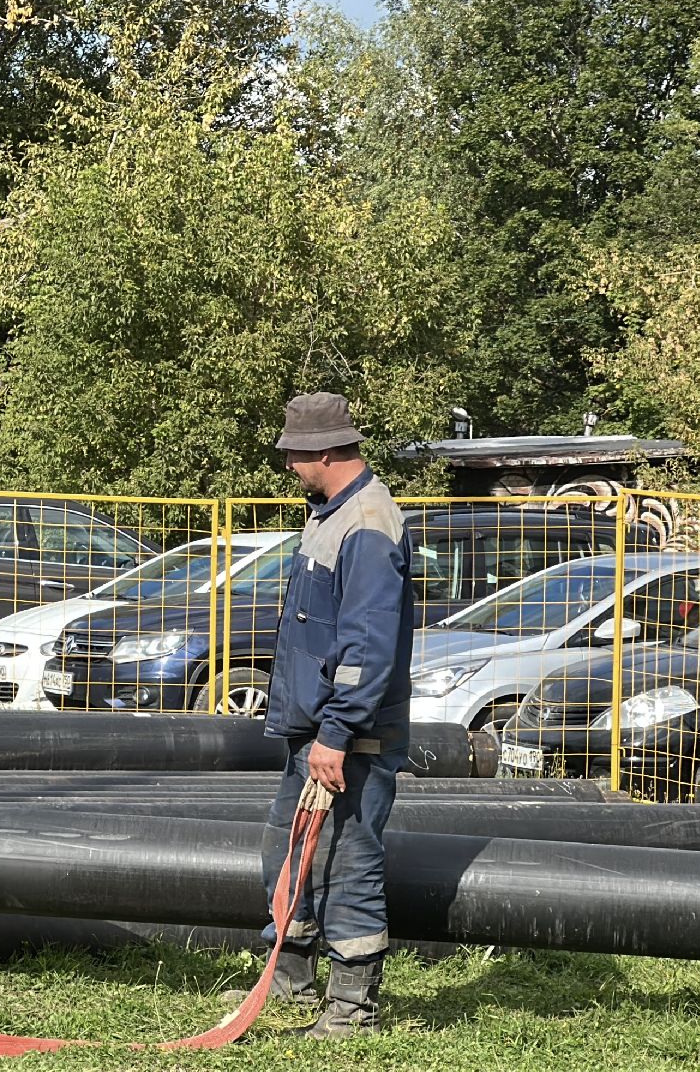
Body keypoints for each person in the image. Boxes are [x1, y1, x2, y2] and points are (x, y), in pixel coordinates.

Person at [259, 392, 413, 1039]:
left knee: (348, 863)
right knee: (288, 851)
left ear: (322, 451)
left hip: (349, 737)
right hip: (316, 729)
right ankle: (292, 988)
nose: (291, 466)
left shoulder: (369, 523)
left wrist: (339, 733)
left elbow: (368, 646)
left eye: (294, 456)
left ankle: (351, 1011)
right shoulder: (331, 514)